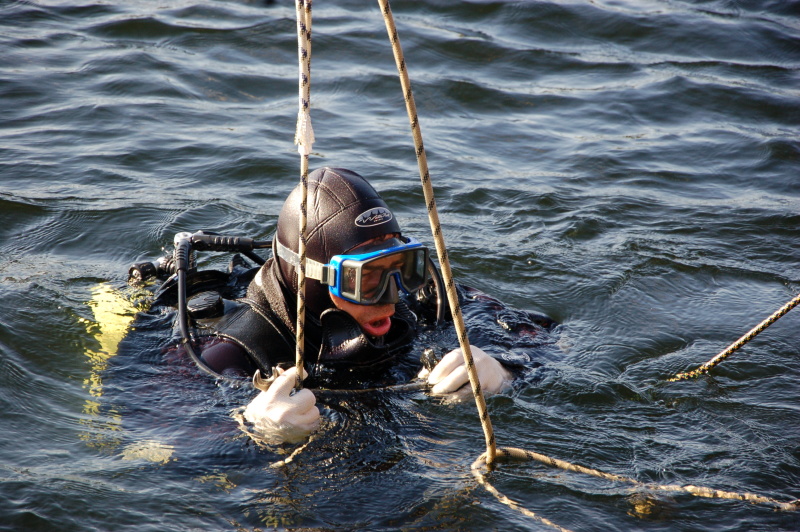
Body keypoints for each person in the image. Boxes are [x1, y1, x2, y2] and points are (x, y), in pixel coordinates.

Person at [191, 167, 513, 443]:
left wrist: (504, 370)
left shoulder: (425, 299)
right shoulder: (230, 354)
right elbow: (172, 440)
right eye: (366, 279)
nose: (391, 297)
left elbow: (543, 338)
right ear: (316, 280)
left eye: (400, 266)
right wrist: (251, 429)